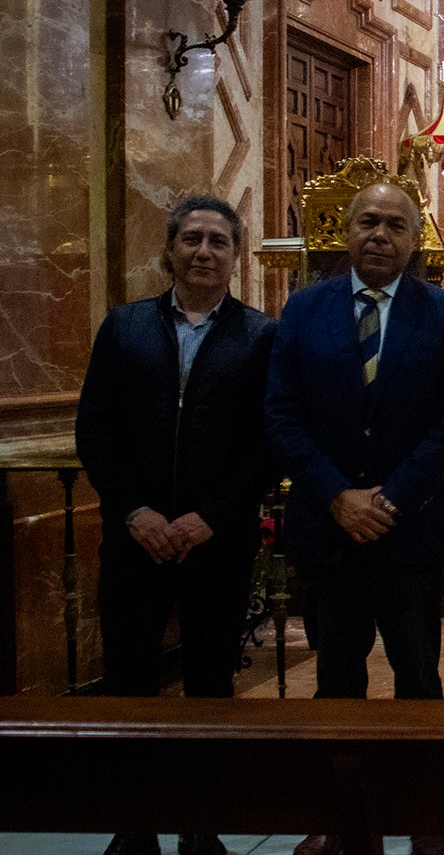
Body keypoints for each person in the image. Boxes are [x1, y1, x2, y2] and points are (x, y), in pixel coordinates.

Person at [265, 181, 444, 855]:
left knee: (419, 677)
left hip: (410, 528)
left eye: (395, 224)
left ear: (416, 238)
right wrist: (336, 494)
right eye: (367, 222)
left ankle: (426, 812)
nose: (380, 234)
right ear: (345, 233)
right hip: (330, 527)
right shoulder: (302, 310)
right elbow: (281, 415)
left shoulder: (443, 313)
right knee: (337, 678)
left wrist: (391, 497)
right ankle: (340, 816)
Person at [75, 195, 277, 855]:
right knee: (130, 684)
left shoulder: (260, 335)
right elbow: (95, 428)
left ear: (236, 254)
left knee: (210, 684)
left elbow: (268, 443)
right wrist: (134, 509)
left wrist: (209, 517)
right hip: (135, 537)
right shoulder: (124, 326)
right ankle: (134, 823)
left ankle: (200, 820)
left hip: (215, 541)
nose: (203, 251)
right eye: (191, 238)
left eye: (218, 240)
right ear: (169, 250)